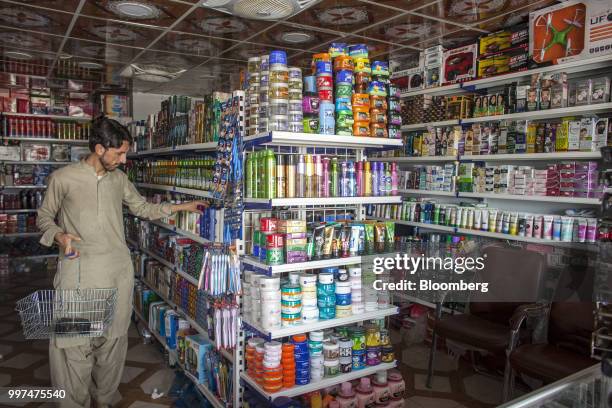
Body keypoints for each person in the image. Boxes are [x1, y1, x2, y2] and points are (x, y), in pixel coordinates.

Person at [37, 116, 207, 408]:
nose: (124, 159)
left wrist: (182, 206)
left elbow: (142, 208)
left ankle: (103, 401)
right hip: (79, 273)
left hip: (117, 272)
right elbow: (43, 219)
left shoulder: (119, 179)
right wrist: (60, 236)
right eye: (120, 153)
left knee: (112, 344)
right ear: (100, 148)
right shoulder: (63, 178)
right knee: (74, 348)